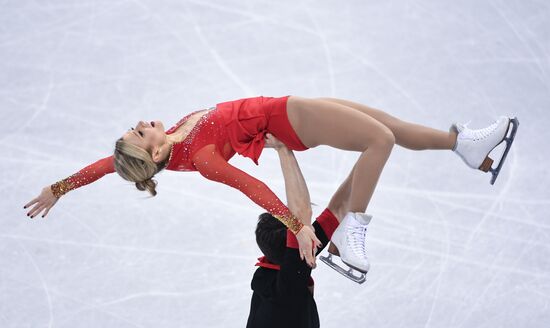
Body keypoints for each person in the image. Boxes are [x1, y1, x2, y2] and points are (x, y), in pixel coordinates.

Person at [23, 95, 518, 270]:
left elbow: (107, 166)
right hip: (288, 119)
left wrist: (58, 189)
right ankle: (352, 230)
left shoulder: (158, 149)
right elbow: (249, 188)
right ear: (154, 152)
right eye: (140, 131)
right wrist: (295, 224)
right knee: (380, 141)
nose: (140, 122)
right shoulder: (200, 155)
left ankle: (464, 145)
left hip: (286, 104)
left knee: (387, 125)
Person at [248, 133, 345, 328]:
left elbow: (333, 212)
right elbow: (329, 210)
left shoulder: (270, 272)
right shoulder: (292, 272)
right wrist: (283, 149)